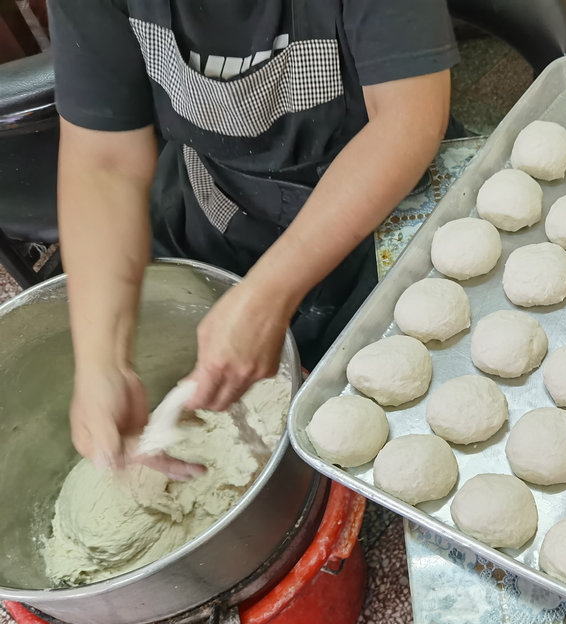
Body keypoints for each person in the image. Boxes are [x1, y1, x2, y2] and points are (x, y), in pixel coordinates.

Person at [49, 0, 458, 475]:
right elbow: (104, 163)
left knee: (401, 421)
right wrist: (103, 361)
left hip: (387, 208)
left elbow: (406, 118)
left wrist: (270, 292)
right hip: (220, 205)